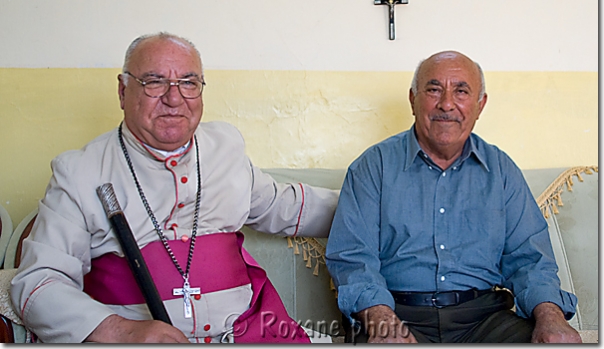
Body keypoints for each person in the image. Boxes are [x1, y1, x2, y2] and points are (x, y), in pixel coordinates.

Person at [10, 32, 339, 343]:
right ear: (123, 91)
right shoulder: (80, 171)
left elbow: (284, 207)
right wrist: (122, 332)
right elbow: (38, 282)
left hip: (250, 333)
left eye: (188, 82)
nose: (173, 98)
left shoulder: (224, 146)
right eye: (154, 82)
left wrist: (375, 205)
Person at [325, 50, 582, 343]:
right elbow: (352, 258)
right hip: (398, 313)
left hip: (485, 319)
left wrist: (551, 316)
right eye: (434, 90)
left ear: (480, 104)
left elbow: (530, 260)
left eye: (461, 91)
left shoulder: (501, 170)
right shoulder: (373, 167)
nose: (447, 104)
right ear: (413, 99)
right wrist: (381, 320)